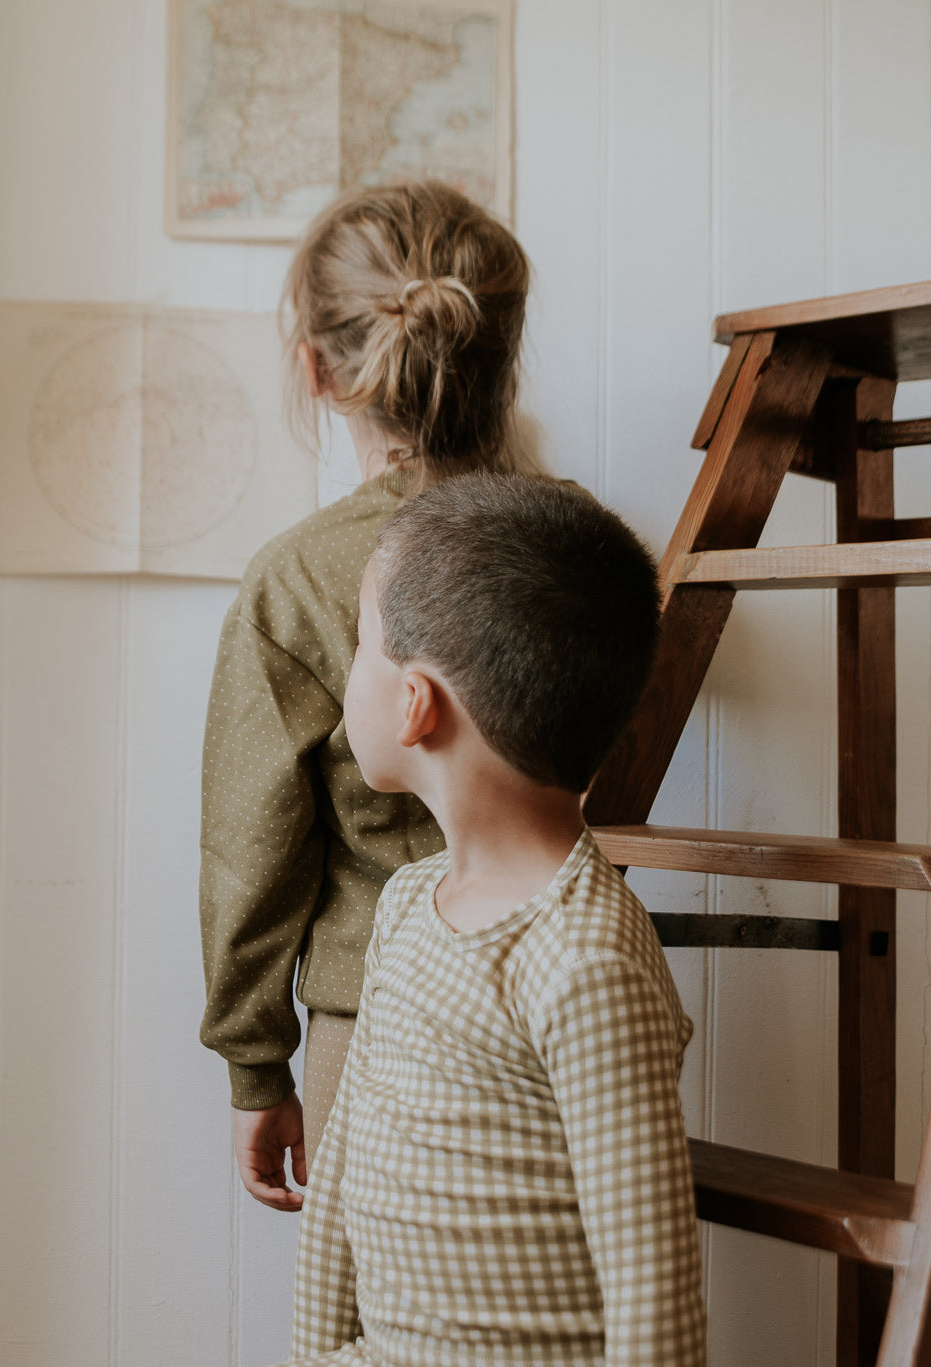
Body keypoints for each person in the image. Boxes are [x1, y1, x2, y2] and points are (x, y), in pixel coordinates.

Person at [283, 473, 707, 1367]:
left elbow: (653, 1295)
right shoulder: (404, 905)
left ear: (414, 704)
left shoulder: (582, 958)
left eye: (362, 645)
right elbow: (340, 1190)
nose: (348, 668)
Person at [199, 182, 532, 1211]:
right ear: (501, 357)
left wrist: (256, 1065)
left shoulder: (297, 577)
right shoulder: (579, 548)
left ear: (316, 367)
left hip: (375, 1019)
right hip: (557, 994)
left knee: (369, 1326)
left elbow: (251, 843)